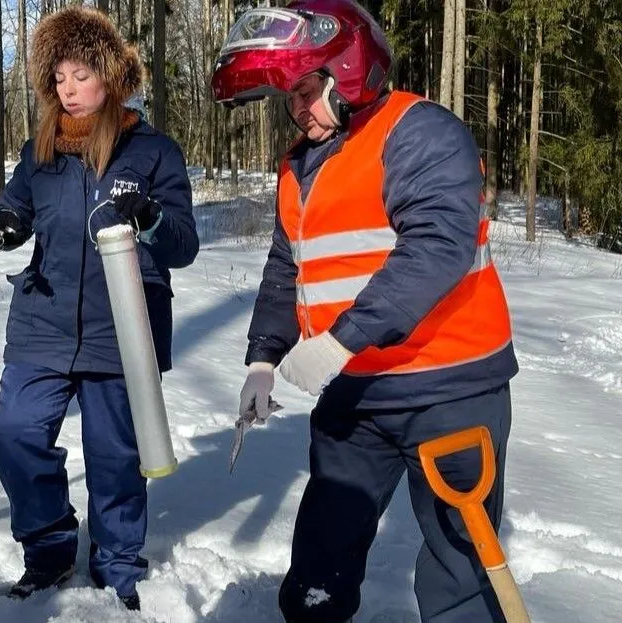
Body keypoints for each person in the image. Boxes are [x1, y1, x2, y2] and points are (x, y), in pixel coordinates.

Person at [211, 1, 519, 622]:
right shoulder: (299, 164)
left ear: (347, 70)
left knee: (459, 566)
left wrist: (339, 340)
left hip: (446, 387)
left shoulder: (418, 130)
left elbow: (436, 248)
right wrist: (263, 361)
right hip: (353, 396)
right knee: (321, 558)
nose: (297, 108)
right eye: (288, 97)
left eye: (306, 89)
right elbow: (284, 269)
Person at [0, 6, 198, 609]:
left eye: (80, 74)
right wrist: (6, 223)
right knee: (16, 432)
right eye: (58, 78)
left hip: (123, 326)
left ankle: (117, 562)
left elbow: (183, 245)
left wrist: (150, 218)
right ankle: (49, 546)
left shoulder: (153, 151)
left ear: (109, 75)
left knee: (116, 455)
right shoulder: (41, 150)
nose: (68, 89)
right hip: (43, 322)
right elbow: (18, 209)